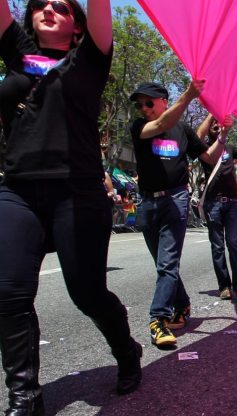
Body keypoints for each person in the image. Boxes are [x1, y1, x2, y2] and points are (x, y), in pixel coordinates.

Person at [0, 0, 142, 410]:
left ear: (77, 27)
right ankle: (25, 395)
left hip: (77, 192)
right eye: (40, 4)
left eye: (60, 6)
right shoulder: (21, 54)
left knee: (87, 293)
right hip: (19, 190)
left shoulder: (89, 60)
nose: (48, 9)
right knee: (8, 292)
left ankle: (126, 352)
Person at [129, 81, 225, 348]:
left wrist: (224, 135)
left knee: (167, 264)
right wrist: (188, 96)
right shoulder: (139, 127)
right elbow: (158, 126)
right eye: (140, 105)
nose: (144, 108)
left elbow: (208, 158)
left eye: (149, 103)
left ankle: (158, 319)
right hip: (148, 203)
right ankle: (182, 304)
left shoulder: (182, 130)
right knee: (162, 263)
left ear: (163, 100)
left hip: (175, 200)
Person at [197, 116, 237, 302]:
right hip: (212, 204)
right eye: (212, 123)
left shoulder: (230, 149)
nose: (216, 125)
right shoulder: (203, 149)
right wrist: (211, 113)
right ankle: (224, 286)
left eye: (218, 122)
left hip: (232, 203)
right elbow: (197, 136)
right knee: (217, 246)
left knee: (233, 243)